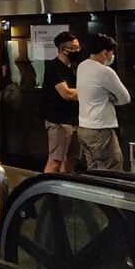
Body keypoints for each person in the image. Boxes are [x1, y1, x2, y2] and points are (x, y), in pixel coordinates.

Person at [76, 33, 131, 171]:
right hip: (101, 129)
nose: (111, 57)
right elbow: (125, 98)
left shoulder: (82, 66)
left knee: (93, 168)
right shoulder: (105, 71)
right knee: (112, 168)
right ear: (105, 52)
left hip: (84, 127)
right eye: (111, 53)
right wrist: (111, 99)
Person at [41, 31, 80, 174]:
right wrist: (85, 91)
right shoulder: (54, 67)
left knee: (71, 159)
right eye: (73, 48)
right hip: (58, 121)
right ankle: (47, 191)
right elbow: (67, 93)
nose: (77, 51)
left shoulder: (75, 67)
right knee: (55, 160)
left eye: (78, 47)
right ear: (63, 48)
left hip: (74, 120)